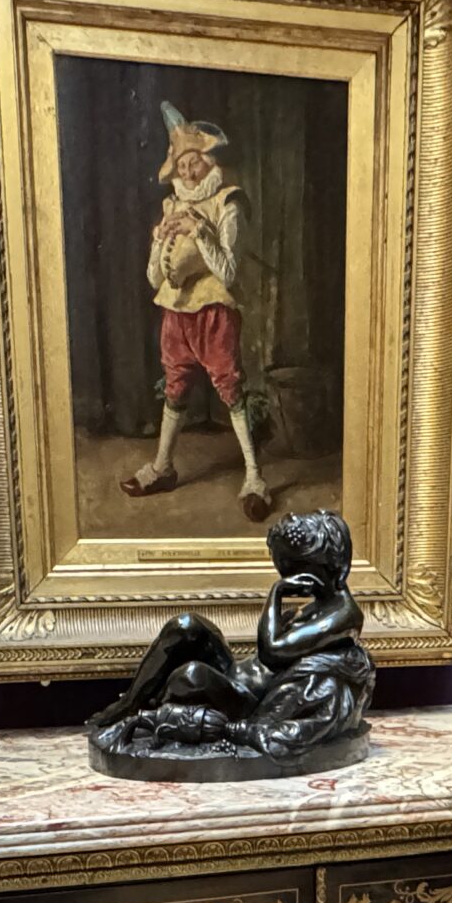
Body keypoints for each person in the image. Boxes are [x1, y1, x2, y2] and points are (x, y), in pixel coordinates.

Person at [88, 508, 374, 770]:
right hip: (236, 674)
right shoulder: (316, 606)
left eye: (290, 569)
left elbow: (272, 651)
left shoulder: (344, 615)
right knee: (187, 626)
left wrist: (276, 593)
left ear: (318, 568)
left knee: (191, 675)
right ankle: (129, 704)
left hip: (247, 704)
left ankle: (154, 716)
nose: (289, 578)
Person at [123, 102, 272, 522]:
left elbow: (227, 271)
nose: (188, 172)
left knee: (230, 387)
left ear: (209, 161)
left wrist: (199, 231)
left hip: (214, 311)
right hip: (177, 313)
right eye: (182, 164)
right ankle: (163, 466)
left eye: (194, 162)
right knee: (175, 385)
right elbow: (154, 278)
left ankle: (254, 477)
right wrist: (159, 240)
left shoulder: (228, 203)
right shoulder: (172, 205)